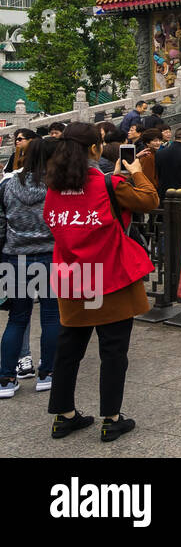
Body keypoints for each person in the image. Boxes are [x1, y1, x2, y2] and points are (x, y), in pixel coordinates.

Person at [44, 122, 157, 442]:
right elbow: (149, 200)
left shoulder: (54, 187)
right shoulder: (109, 184)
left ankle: (63, 416)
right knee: (113, 350)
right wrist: (135, 171)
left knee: (68, 349)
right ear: (95, 149)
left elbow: (53, 225)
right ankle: (111, 418)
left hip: (74, 277)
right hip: (110, 277)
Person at [0, 136, 58, 398]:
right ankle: (47, 373)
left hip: (15, 258)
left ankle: (5, 378)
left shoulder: (8, 185)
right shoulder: (57, 185)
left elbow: (1, 226)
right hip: (50, 256)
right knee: (51, 316)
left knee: (16, 318)